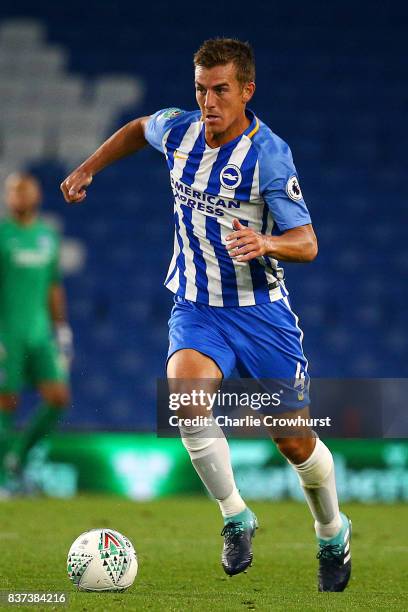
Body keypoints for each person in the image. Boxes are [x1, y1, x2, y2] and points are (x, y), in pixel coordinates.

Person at [61, 38, 351, 592]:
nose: (208, 102)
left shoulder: (269, 154)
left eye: (220, 90)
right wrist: (87, 169)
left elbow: (308, 242)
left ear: (247, 90)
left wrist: (267, 243)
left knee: (293, 441)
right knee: (186, 399)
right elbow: (135, 128)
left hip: (262, 315)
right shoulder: (179, 130)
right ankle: (236, 515)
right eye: (200, 88)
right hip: (198, 307)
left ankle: (332, 530)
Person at [0, 173, 72, 494]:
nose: (19, 196)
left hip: (39, 333)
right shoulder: (2, 235)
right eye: (13, 192)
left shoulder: (47, 236)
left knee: (58, 397)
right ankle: (4, 480)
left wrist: (62, 331)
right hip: (7, 332)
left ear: (37, 195)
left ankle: (17, 456)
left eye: (24, 190)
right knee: (6, 402)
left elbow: (53, 287)